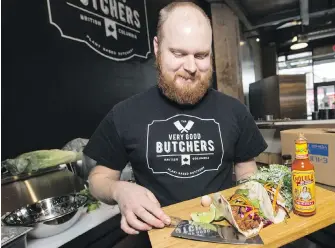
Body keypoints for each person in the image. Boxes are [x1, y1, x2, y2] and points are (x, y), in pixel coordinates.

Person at [83, 1, 268, 238]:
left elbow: (246, 171)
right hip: (158, 238)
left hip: (224, 238)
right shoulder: (124, 114)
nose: (191, 67)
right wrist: (119, 189)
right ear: (157, 47)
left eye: (201, 55)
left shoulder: (236, 111)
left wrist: (250, 202)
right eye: (178, 53)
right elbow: (98, 179)